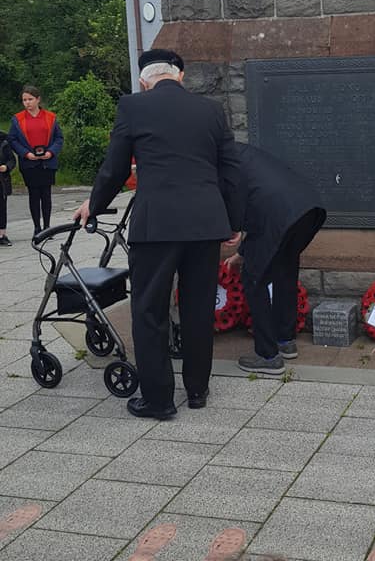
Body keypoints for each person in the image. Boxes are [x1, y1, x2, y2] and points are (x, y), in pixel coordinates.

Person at [74, 48, 240, 421]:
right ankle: (197, 390)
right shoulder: (211, 110)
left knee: (149, 310)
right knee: (198, 309)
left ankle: (159, 399)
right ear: (179, 76)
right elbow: (230, 170)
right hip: (205, 225)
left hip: (157, 227)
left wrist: (94, 205)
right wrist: (233, 221)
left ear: (144, 81)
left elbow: (115, 168)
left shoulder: (133, 107)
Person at [222, 143, 326, 375]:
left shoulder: (222, 160)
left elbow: (244, 201)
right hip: (308, 208)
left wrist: (233, 228)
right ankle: (285, 340)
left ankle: (267, 356)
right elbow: (263, 202)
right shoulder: (242, 152)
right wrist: (243, 252)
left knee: (253, 279)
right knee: (285, 271)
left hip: (278, 215)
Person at [8, 85, 64, 240]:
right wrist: (25, 153)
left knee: (46, 194)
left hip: (47, 161)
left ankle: (47, 226)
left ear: (38, 99)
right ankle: (37, 227)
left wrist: (51, 152)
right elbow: (12, 139)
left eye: (30, 99)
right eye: (24, 100)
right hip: (29, 162)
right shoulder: (17, 119)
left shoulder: (50, 117)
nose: (27, 103)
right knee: (34, 194)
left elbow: (59, 138)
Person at [0, 128, 16, 246]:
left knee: (1, 207)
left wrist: (6, 167)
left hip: (1, 180)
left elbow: (12, 160)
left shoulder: (4, 142)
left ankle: (1, 234)